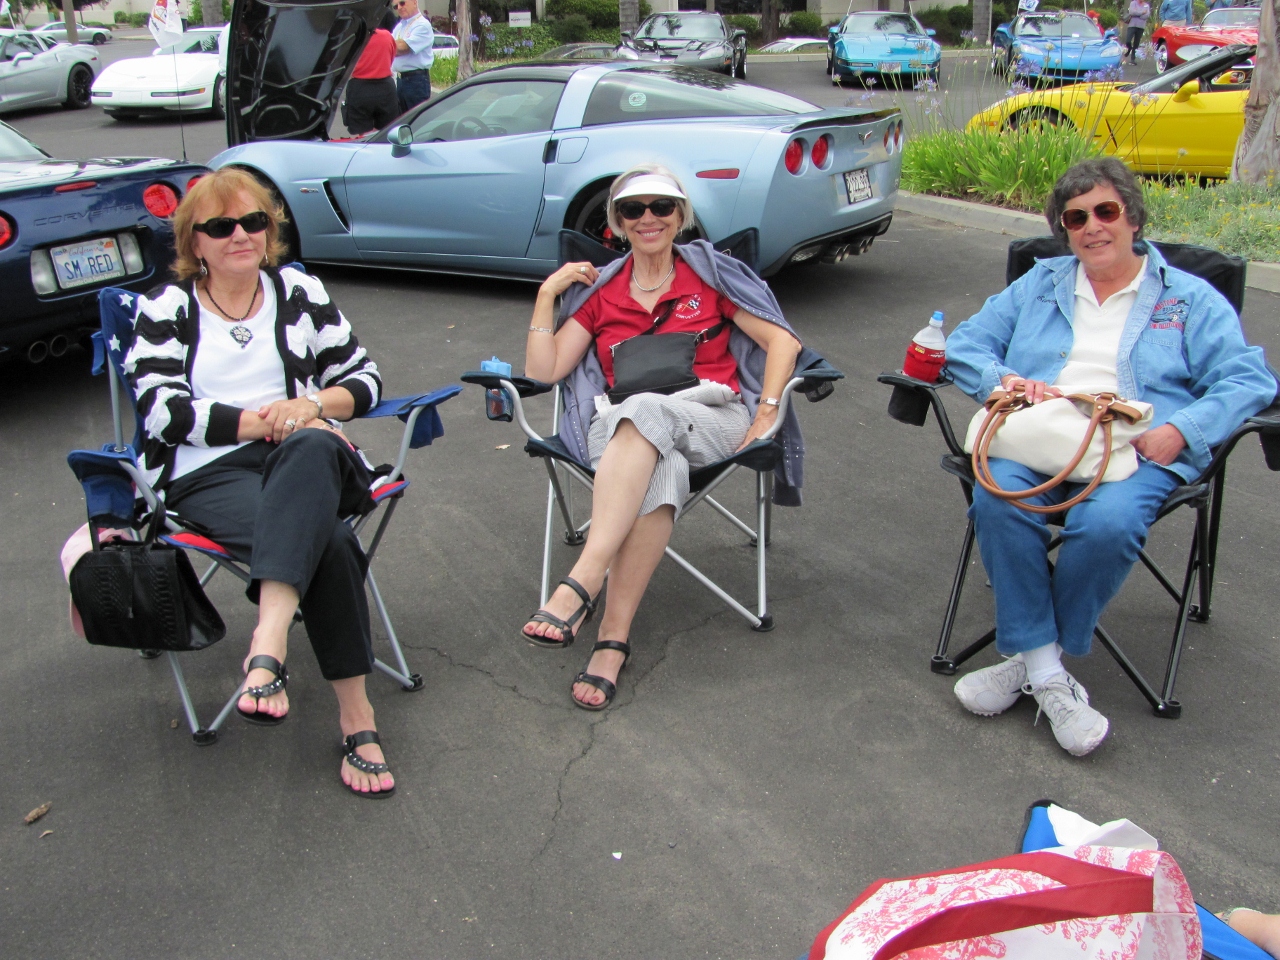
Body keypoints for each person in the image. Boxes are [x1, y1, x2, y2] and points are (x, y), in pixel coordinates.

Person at [944, 158, 1274, 757]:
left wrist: (1183, 428)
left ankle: (1028, 661)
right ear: (1064, 230)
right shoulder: (1040, 283)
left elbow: (1247, 379)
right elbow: (965, 344)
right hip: (1038, 435)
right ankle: (1048, 673)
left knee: (1110, 524)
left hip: (1135, 449)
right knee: (998, 501)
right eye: (1076, 217)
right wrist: (1005, 382)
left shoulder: (1187, 299)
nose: (1092, 226)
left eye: (1105, 211)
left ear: (1132, 217)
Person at [123, 167, 397, 799]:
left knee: (308, 444)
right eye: (220, 226)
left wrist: (312, 407)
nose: (240, 235)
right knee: (324, 541)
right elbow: (164, 411)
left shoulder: (298, 291)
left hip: (308, 458)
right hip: (207, 474)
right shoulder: (167, 308)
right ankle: (358, 718)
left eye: (254, 222)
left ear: (269, 230)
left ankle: (267, 645)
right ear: (195, 241)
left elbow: (365, 380)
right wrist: (263, 422)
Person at [520, 165, 803, 711]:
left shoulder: (711, 279)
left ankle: (582, 580)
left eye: (661, 207)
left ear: (681, 218)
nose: (648, 218)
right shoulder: (601, 296)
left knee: (649, 411)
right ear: (617, 223)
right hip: (620, 429)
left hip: (711, 416)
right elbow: (544, 370)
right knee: (661, 459)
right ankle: (611, 641)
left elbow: (782, 343)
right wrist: (545, 295)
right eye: (633, 209)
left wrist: (766, 412)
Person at [343, 12, 400, 135]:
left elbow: (345, 63)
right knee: (389, 132)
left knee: (362, 134)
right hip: (385, 88)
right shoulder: (387, 36)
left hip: (359, 87)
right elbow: (392, 56)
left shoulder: (353, 37)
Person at [392, 0, 434, 113]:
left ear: (415, 2)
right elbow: (391, 48)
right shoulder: (399, 26)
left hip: (416, 81)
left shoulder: (422, 24)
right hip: (401, 80)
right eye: (396, 6)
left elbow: (403, 48)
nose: (399, 7)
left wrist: (385, 44)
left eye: (402, 3)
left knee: (417, 122)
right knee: (403, 122)